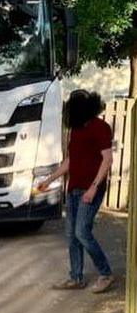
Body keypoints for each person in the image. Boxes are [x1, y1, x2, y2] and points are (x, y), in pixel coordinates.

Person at [38, 89, 114, 293]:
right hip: (73, 190)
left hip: (90, 190)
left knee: (82, 232)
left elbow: (107, 160)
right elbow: (70, 161)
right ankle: (76, 277)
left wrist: (93, 188)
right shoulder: (76, 129)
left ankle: (105, 274)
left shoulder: (100, 127)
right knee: (72, 235)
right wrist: (49, 179)